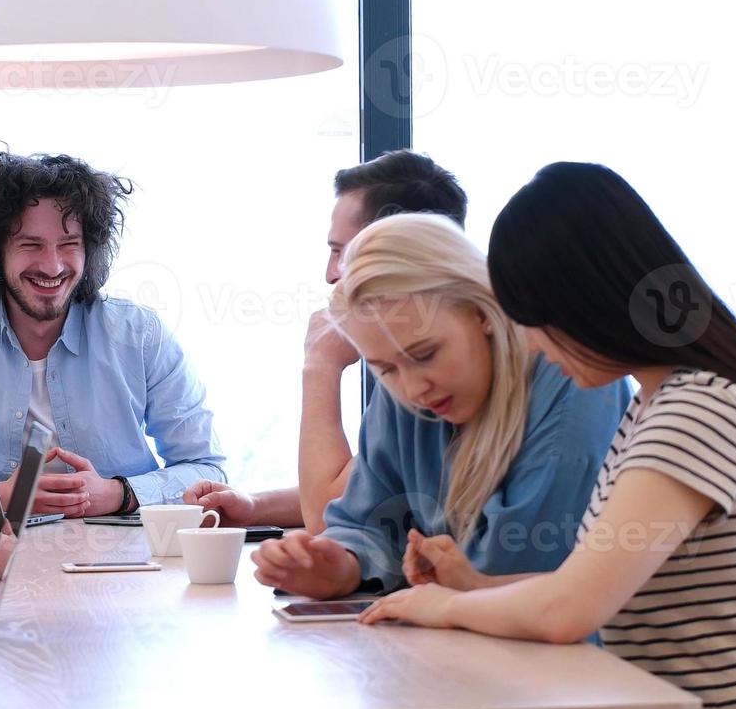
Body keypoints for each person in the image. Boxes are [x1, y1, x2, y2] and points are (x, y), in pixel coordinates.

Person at [361, 162, 736, 709]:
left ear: (587, 300)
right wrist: (471, 585)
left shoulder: (697, 410)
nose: (527, 341)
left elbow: (568, 610)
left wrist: (438, 606)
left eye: (532, 318)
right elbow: (591, 588)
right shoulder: (665, 401)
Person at [249, 213, 632, 600]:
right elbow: (367, 522)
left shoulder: (573, 378)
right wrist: (340, 564)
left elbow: (515, 568)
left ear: (482, 311)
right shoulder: (403, 377)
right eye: (384, 369)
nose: (413, 389)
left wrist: (429, 571)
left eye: (426, 354)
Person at [0, 149, 224, 517]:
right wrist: (0, 496)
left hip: (122, 560)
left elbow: (207, 470)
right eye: (31, 245)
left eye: (69, 245)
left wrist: (119, 494)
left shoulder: (140, 334)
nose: (53, 266)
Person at [182, 149, 470, 529]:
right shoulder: (405, 366)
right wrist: (253, 505)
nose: (330, 274)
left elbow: (328, 519)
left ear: (396, 249)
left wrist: (320, 364)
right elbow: (365, 489)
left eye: (340, 253)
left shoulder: (423, 370)